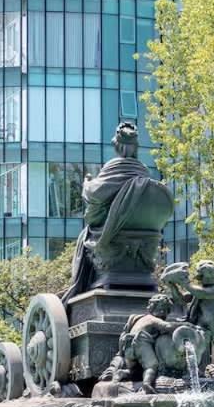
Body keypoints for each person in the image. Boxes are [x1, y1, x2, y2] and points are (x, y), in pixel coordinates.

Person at [61, 122, 173, 299]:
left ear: (117, 146)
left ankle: (84, 281)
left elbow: (94, 194)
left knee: (86, 234)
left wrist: (86, 183)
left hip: (110, 238)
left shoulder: (114, 168)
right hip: (148, 238)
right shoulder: (143, 173)